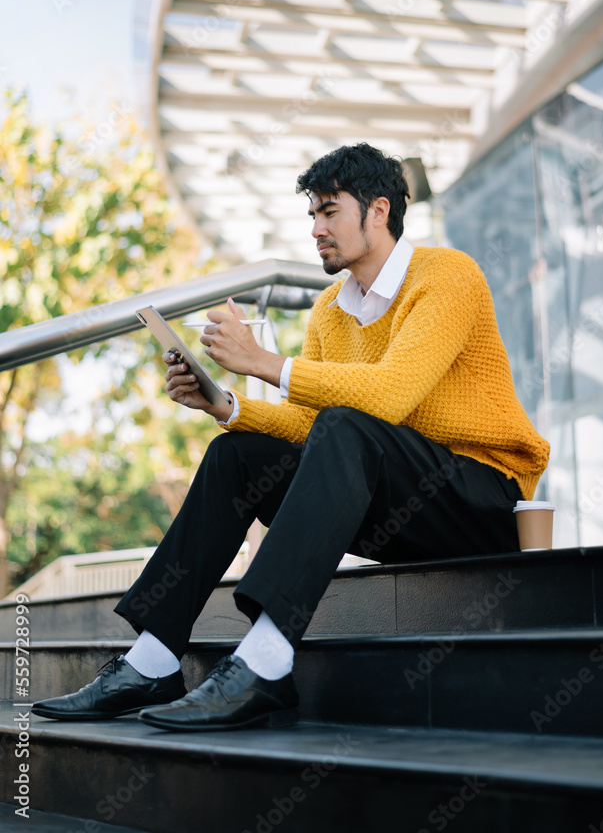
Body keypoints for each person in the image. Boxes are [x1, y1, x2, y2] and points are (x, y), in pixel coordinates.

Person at [32, 143, 550, 732]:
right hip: (397, 502)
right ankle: (152, 658)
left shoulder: (448, 274)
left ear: (378, 211)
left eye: (330, 211)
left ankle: (266, 662)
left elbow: (390, 396)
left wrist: (264, 363)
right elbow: (315, 431)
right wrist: (226, 405)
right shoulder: (330, 309)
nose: (316, 229)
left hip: (483, 499)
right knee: (237, 455)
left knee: (348, 422)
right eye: (312, 215)